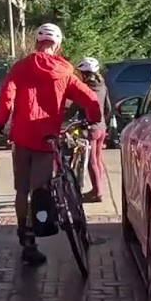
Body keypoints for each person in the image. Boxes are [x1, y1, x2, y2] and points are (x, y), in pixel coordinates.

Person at [0, 23, 103, 266]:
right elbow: (90, 98)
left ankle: (26, 240)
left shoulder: (20, 68)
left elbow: (7, 96)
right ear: (58, 45)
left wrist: (1, 122)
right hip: (46, 140)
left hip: (22, 137)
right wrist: (94, 117)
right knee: (39, 190)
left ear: (37, 42)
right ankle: (41, 225)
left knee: (21, 190)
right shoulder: (64, 72)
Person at [66, 57, 111, 203]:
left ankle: (97, 193)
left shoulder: (85, 88)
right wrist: (103, 122)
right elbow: (108, 108)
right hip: (101, 127)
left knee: (91, 162)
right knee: (97, 160)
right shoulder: (102, 86)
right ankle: (98, 189)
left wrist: (63, 118)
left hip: (90, 128)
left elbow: (74, 108)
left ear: (84, 74)